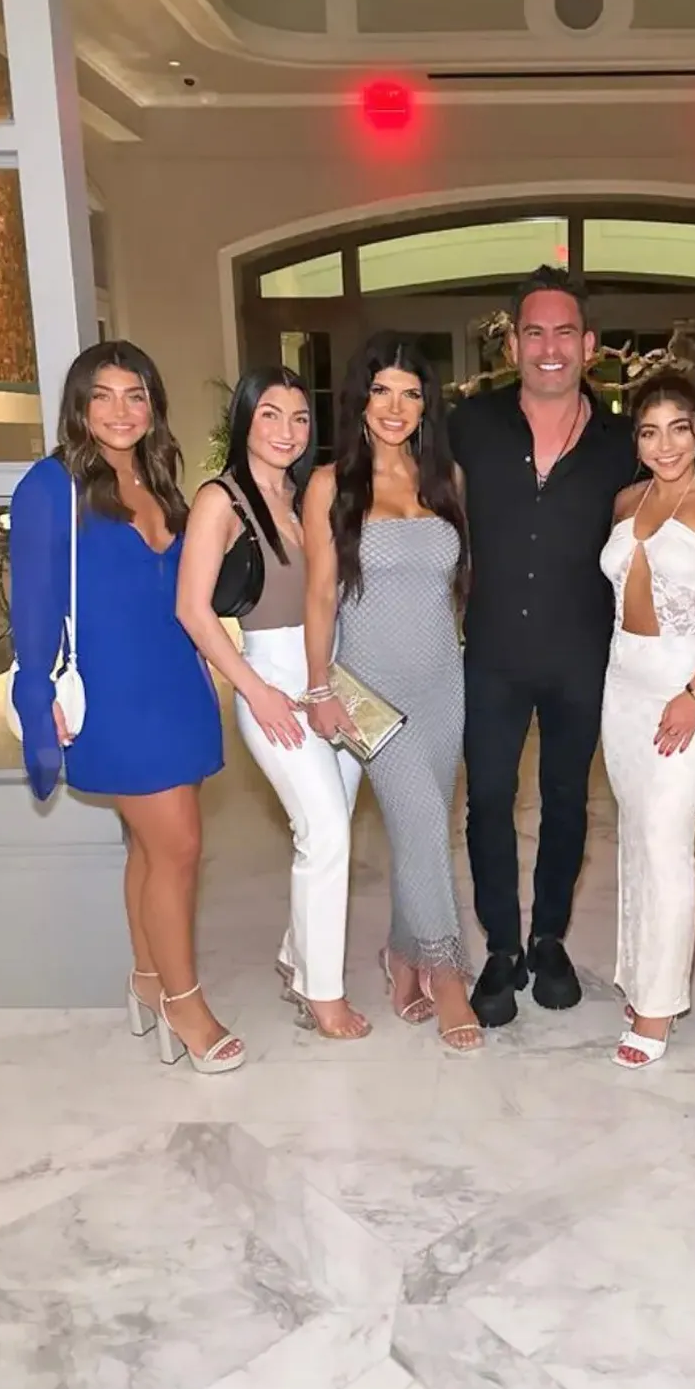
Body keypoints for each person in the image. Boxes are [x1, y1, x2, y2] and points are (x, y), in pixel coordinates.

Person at [9, 341, 242, 1074]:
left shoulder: (160, 477)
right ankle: (185, 1002)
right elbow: (32, 603)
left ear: (152, 406)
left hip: (177, 685)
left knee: (151, 848)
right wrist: (34, 694)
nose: (119, 411)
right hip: (112, 697)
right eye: (102, 396)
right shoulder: (50, 485)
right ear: (79, 407)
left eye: (135, 395)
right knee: (179, 848)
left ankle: (147, 980)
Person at [449, 266, 639, 1028]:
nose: (549, 347)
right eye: (534, 332)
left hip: (581, 654)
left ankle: (549, 936)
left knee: (566, 800)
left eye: (565, 332)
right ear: (513, 344)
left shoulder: (624, 440)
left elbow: (676, 500)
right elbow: (404, 488)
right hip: (491, 650)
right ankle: (501, 947)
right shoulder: (470, 425)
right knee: (489, 800)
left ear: (589, 345)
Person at [302, 333, 482, 1051]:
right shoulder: (331, 484)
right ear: (361, 399)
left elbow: (457, 586)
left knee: (424, 828)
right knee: (422, 818)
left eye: (411, 393)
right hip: (369, 687)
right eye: (382, 391)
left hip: (442, 679)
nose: (396, 407)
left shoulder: (447, 479)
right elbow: (321, 595)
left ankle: (401, 957)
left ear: (426, 405)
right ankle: (448, 976)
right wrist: (318, 688)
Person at [177, 367, 368, 1040]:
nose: (287, 431)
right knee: (326, 831)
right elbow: (192, 610)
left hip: (333, 677)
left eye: (299, 418)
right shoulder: (221, 500)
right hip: (272, 677)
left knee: (332, 826)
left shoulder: (310, 494)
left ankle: (297, 954)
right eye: (270, 415)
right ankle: (323, 994)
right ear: (245, 420)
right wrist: (254, 691)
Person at [601, 372, 695, 1067]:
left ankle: (659, 1007)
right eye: (649, 431)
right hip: (622, 682)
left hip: (686, 681)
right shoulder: (625, 501)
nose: (664, 445)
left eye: (678, 429)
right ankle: (639, 977)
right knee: (635, 835)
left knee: (666, 840)